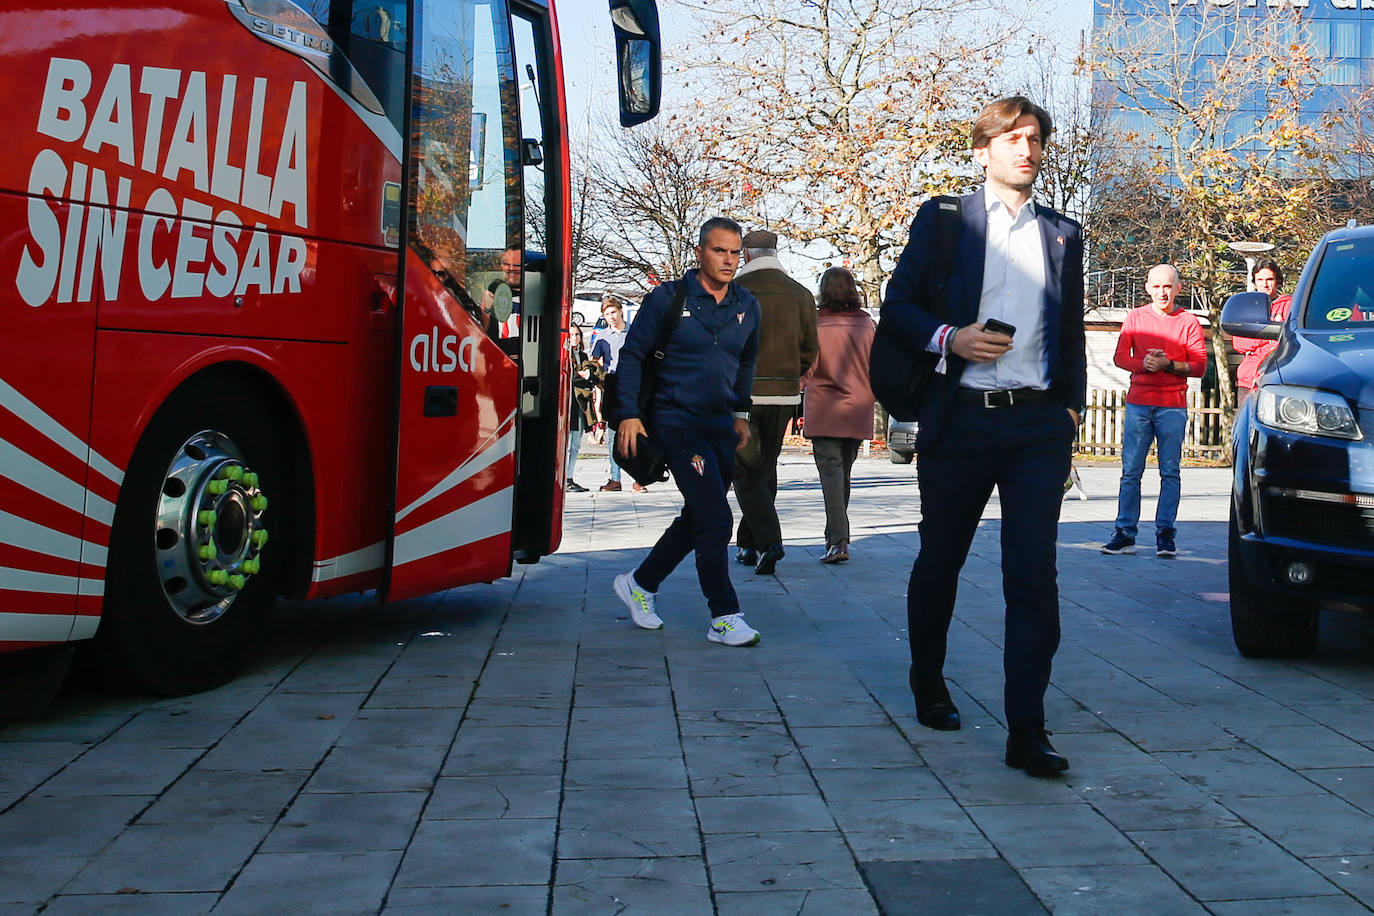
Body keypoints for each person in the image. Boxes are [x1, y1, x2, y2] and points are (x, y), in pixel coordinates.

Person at [882, 96, 1087, 776]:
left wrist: (1070, 410)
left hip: (1035, 424)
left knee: (1034, 576)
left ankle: (1026, 729)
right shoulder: (946, 221)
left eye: (1035, 139)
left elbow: (1069, 331)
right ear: (984, 151)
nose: (1026, 149)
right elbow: (899, 305)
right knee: (940, 560)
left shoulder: (1063, 233)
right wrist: (952, 338)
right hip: (961, 416)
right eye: (1013, 138)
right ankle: (927, 677)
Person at [611, 217, 763, 647]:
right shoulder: (667, 298)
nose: (730, 260)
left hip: (720, 426)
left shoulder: (748, 305)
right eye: (720, 251)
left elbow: (746, 362)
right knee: (716, 518)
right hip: (675, 422)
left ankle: (640, 584)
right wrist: (628, 413)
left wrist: (740, 412)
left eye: (736, 252)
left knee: (699, 514)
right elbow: (634, 355)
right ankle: (724, 616)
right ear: (700, 252)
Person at [1102, 264, 1206, 559]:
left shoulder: (1188, 321)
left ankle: (1165, 534)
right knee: (1131, 470)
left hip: (1172, 405)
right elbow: (1121, 356)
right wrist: (1144, 364)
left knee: (1170, 471)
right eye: (1157, 286)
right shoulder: (1135, 317)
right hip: (1139, 402)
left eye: (1168, 286)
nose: (1162, 292)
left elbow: (1199, 366)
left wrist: (1168, 365)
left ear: (1178, 288)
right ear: (1147, 288)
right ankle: (1124, 532)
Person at [731, 229, 819, 575]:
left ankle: (768, 541)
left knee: (744, 467)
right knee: (765, 465)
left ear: (748, 255)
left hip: (743, 393)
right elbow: (810, 347)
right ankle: (749, 543)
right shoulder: (799, 293)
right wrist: (793, 375)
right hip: (783, 392)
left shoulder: (738, 291)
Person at [801, 267, 874, 564]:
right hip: (858, 406)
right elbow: (876, 364)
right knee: (843, 474)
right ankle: (837, 535)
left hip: (825, 406)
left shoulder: (816, 324)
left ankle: (838, 540)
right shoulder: (867, 324)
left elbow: (808, 365)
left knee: (832, 475)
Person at [1232, 259, 1291, 405]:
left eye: (1269, 279)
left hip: (1277, 378)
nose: (1265, 284)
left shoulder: (1288, 305)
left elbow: (1287, 340)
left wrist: (1255, 336)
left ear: (1277, 281)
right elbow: (1238, 343)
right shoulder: (1246, 306)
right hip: (1248, 380)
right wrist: (1268, 337)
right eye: (1260, 280)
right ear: (1255, 282)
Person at [592, 297, 632, 491]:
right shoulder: (602, 337)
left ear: (620, 311)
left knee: (637, 429)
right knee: (613, 434)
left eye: (613, 312)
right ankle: (614, 477)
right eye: (607, 314)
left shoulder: (634, 331)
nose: (611, 317)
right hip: (612, 384)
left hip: (634, 383)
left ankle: (640, 477)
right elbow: (595, 362)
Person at [566, 324, 601, 492]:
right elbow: (567, 375)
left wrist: (589, 375)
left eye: (577, 334)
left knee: (575, 444)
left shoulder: (583, 355)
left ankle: (570, 476)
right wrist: (580, 375)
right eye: (571, 334)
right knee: (567, 444)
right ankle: (565, 477)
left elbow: (590, 376)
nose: (575, 338)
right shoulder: (564, 354)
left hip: (581, 403)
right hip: (567, 403)